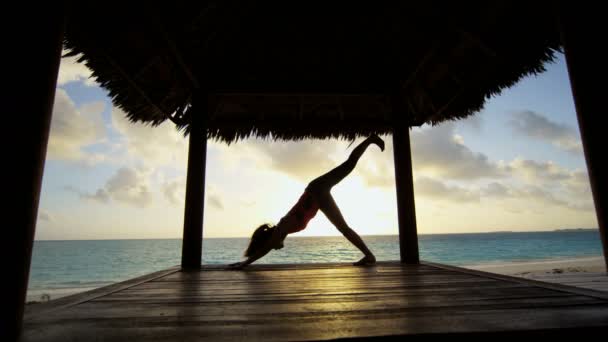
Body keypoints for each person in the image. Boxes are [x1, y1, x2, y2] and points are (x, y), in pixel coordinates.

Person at [228, 134, 384, 269]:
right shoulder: (284, 229)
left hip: (317, 189)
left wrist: (245, 264)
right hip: (319, 199)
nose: (275, 249)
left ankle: (370, 139)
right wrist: (245, 262)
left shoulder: (283, 227)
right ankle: (369, 255)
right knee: (344, 229)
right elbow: (266, 247)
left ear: (270, 240)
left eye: (271, 246)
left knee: (348, 165)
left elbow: (265, 248)